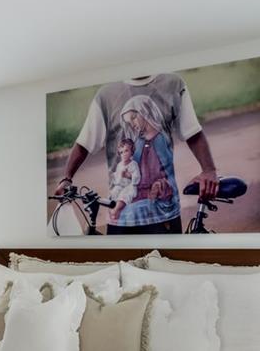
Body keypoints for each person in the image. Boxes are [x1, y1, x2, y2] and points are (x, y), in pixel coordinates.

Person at [56, 73, 219, 235]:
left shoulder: (173, 85)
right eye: (128, 122)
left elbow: (192, 133)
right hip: (121, 217)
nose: (132, 124)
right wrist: (67, 178)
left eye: (134, 118)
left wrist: (209, 170)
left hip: (163, 215)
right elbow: (84, 142)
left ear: (145, 112)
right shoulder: (106, 95)